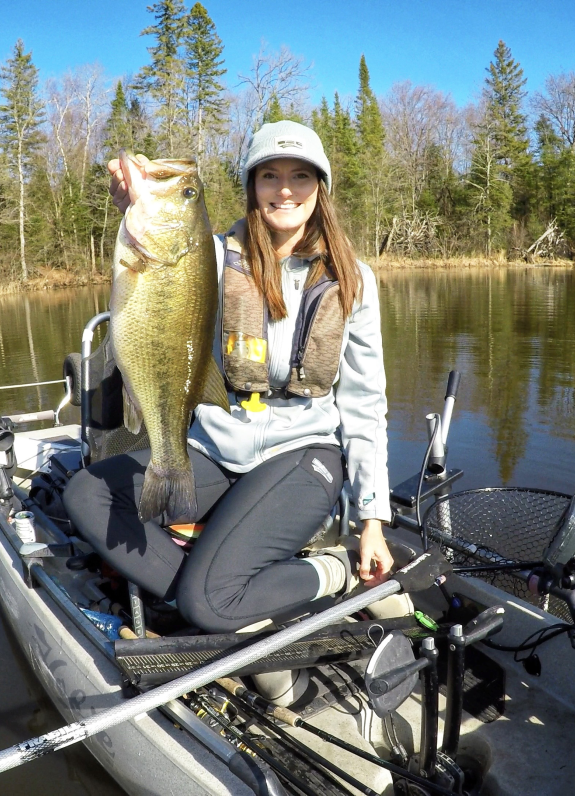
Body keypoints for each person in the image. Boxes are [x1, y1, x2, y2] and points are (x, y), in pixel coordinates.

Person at [63, 120, 394, 634]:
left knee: (205, 604)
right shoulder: (212, 257)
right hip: (215, 445)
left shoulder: (355, 280)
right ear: (252, 187)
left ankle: (333, 570)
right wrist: (130, 202)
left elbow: (366, 404)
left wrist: (371, 520)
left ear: (319, 188)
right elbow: (164, 251)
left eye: (301, 176)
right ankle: (228, 596)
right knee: (86, 493)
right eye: (269, 176)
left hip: (303, 453)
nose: (285, 190)